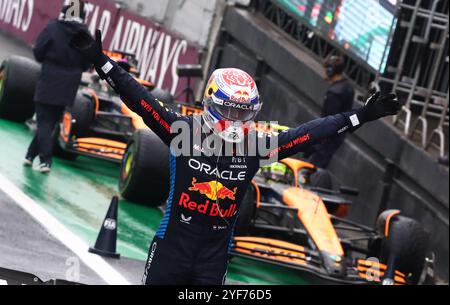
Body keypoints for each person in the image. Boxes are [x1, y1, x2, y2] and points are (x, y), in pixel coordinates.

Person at [71, 30, 401, 285]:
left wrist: (361, 116)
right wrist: (101, 61)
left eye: (242, 112)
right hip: (172, 250)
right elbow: (138, 97)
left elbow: (313, 132)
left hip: (213, 259)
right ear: (211, 103)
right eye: (229, 109)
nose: (234, 118)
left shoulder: (255, 145)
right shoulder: (181, 131)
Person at [24, 2, 91, 173]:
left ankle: (46, 160)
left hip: (49, 80)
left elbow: (38, 52)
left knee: (44, 121)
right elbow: (87, 63)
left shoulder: (53, 28)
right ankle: (30, 155)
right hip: (69, 85)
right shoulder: (85, 35)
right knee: (50, 122)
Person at [307, 55, 355, 169]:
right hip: (338, 135)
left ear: (330, 71)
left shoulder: (334, 93)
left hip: (327, 137)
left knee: (313, 168)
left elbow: (328, 121)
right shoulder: (348, 87)